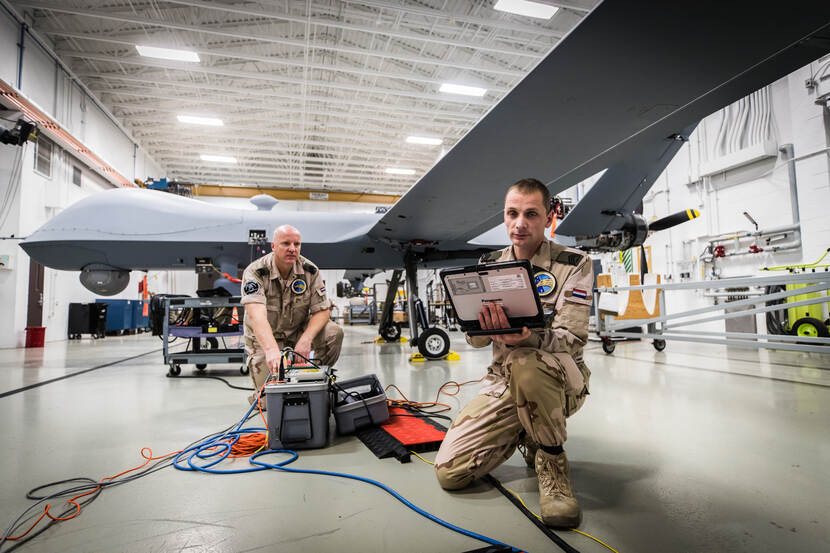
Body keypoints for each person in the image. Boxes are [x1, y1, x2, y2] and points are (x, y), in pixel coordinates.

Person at [434, 178, 593, 528]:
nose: (520, 223)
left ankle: (552, 464)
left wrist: (526, 338)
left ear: (549, 216)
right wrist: (484, 327)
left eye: (531, 214)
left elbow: (573, 337)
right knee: (450, 472)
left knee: (524, 360)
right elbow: (475, 342)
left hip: (558, 378)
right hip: (504, 382)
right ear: (504, 217)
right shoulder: (488, 264)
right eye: (512, 213)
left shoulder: (574, 263)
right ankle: (527, 430)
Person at [240, 224, 343, 404]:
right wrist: (272, 350)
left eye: (297, 244)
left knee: (334, 333)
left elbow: (322, 310)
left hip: (297, 332)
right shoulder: (256, 272)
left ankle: (312, 381)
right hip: (266, 338)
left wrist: (306, 339)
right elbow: (256, 316)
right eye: (286, 243)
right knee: (269, 404)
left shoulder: (310, 271)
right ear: (273, 246)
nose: (292, 249)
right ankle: (277, 384)